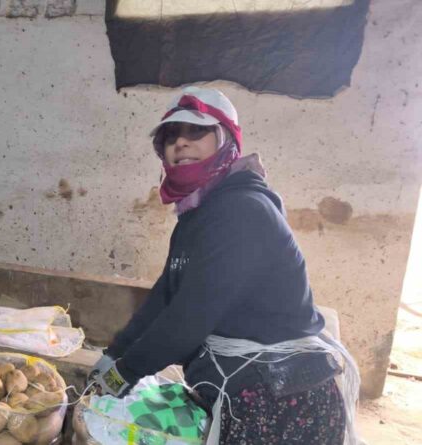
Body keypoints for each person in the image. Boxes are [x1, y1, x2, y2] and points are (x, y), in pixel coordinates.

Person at [89, 87, 359, 445]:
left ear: (227, 140)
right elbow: (166, 295)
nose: (180, 142)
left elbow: (190, 317)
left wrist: (124, 373)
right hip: (244, 390)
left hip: (281, 399)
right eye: (171, 135)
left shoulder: (242, 210)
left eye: (197, 130)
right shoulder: (197, 215)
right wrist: (114, 352)